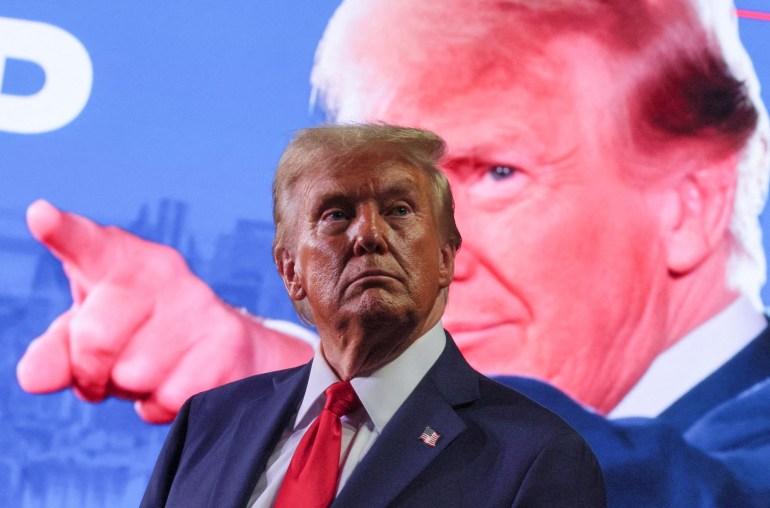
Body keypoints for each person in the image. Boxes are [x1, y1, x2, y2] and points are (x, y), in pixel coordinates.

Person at [16, 0, 770, 505]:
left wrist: (285, 369)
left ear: (690, 203)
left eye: (498, 172)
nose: (412, 240)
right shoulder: (217, 433)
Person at [139, 124, 606, 507]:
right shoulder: (207, 423)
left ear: (446, 258)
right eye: (337, 215)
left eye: (399, 210)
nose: (369, 235)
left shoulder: (535, 457)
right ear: (290, 270)